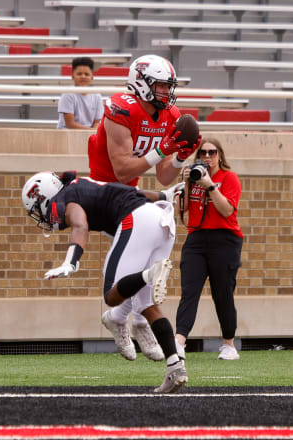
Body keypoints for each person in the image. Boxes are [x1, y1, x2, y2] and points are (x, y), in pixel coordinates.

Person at [21, 171, 188, 393]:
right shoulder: (84, 185)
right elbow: (132, 192)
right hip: (163, 220)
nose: (39, 217)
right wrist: (162, 195)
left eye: (36, 209)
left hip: (137, 219)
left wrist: (71, 262)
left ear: (43, 197)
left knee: (111, 294)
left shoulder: (66, 198)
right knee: (146, 305)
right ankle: (175, 368)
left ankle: (142, 284)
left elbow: (80, 226)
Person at [87, 54, 201, 362]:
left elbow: (163, 174)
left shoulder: (169, 114)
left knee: (164, 225)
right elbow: (122, 169)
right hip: (101, 192)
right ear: (141, 82)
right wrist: (164, 148)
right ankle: (131, 317)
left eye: (168, 87)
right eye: (161, 86)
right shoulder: (121, 108)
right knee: (140, 251)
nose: (167, 93)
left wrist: (179, 157)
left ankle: (125, 317)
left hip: (129, 196)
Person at [174, 138, 243, 361]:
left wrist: (210, 186)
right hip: (196, 239)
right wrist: (186, 183)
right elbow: (182, 210)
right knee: (189, 290)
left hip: (225, 239)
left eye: (212, 152)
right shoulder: (193, 177)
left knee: (222, 294)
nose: (207, 157)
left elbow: (226, 210)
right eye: (203, 153)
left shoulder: (228, 178)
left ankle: (229, 344)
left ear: (220, 156)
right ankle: (179, 341)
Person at [57, 57, 104, 129]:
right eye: (79, 74)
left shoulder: (97, 96)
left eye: (86, 74)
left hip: (89, 134)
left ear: (92, 77)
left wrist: (92, 134)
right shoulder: (67, 94)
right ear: (72, 76)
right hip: (67, 135)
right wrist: (90, 132)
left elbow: (97, 122)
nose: (83, 76)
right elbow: (70, 124)